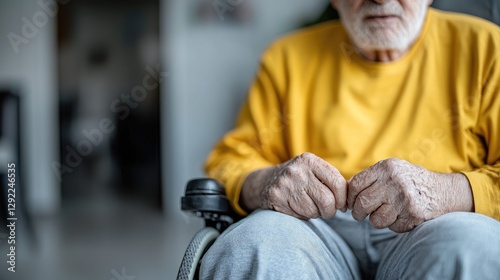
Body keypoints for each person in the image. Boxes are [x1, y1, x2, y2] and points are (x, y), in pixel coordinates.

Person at [200, 0, 500, 279]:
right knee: (250, 246)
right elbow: (231, 160)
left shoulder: (487, 48)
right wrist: (265, 181)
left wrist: (445, 192)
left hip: (438, 223)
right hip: (313, 229)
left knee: (471, 246)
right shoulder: (286, 58)